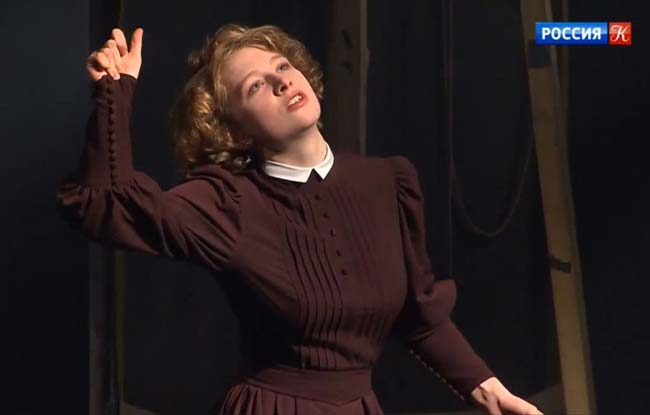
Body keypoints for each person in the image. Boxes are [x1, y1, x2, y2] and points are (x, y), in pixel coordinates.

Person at [58, 24, 543, 415]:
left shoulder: (387, 182)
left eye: (282, 66)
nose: (282, 82)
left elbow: (420, 317)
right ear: (236, 130)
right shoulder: (229, 202)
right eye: (255, 86)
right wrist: (114, 94)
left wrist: (489, 391)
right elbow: (105, 205)